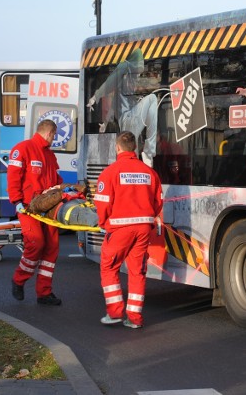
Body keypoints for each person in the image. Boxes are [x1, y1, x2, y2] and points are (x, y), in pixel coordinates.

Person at [94, 131, 163, 328]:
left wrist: (103, 223)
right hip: (142, 229)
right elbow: (158, 201)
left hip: (119, 229)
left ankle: (115, 312)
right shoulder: (149, 172)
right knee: (137, 271)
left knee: (109, 268)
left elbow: (102, 204)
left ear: (117, 148)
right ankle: (134, 318)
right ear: (136, 148)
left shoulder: (110, 172)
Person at [7, 119, 64, 306]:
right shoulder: (23, 149)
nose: (54, 138)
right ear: (49, 133)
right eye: (54, 135)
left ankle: (44, 292)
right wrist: (16, 201)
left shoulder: (49, 155)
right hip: (28, 207)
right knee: (36, 244)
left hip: (47, 207)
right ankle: (18, 280)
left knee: (52, 247)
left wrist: (65, 190)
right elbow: (13, 177)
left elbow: (56, 179)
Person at [86, 48, 158, 167]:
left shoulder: (128, 89)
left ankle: (141, 161)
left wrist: (104, 124)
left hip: (129, 121)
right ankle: (149, 152)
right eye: (138, 70)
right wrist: (95, 97)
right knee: (152, 99)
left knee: (132, 161)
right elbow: (109, 82)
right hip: (127, 118)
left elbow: (112, 108)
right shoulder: (125, 67)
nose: (139, 74)